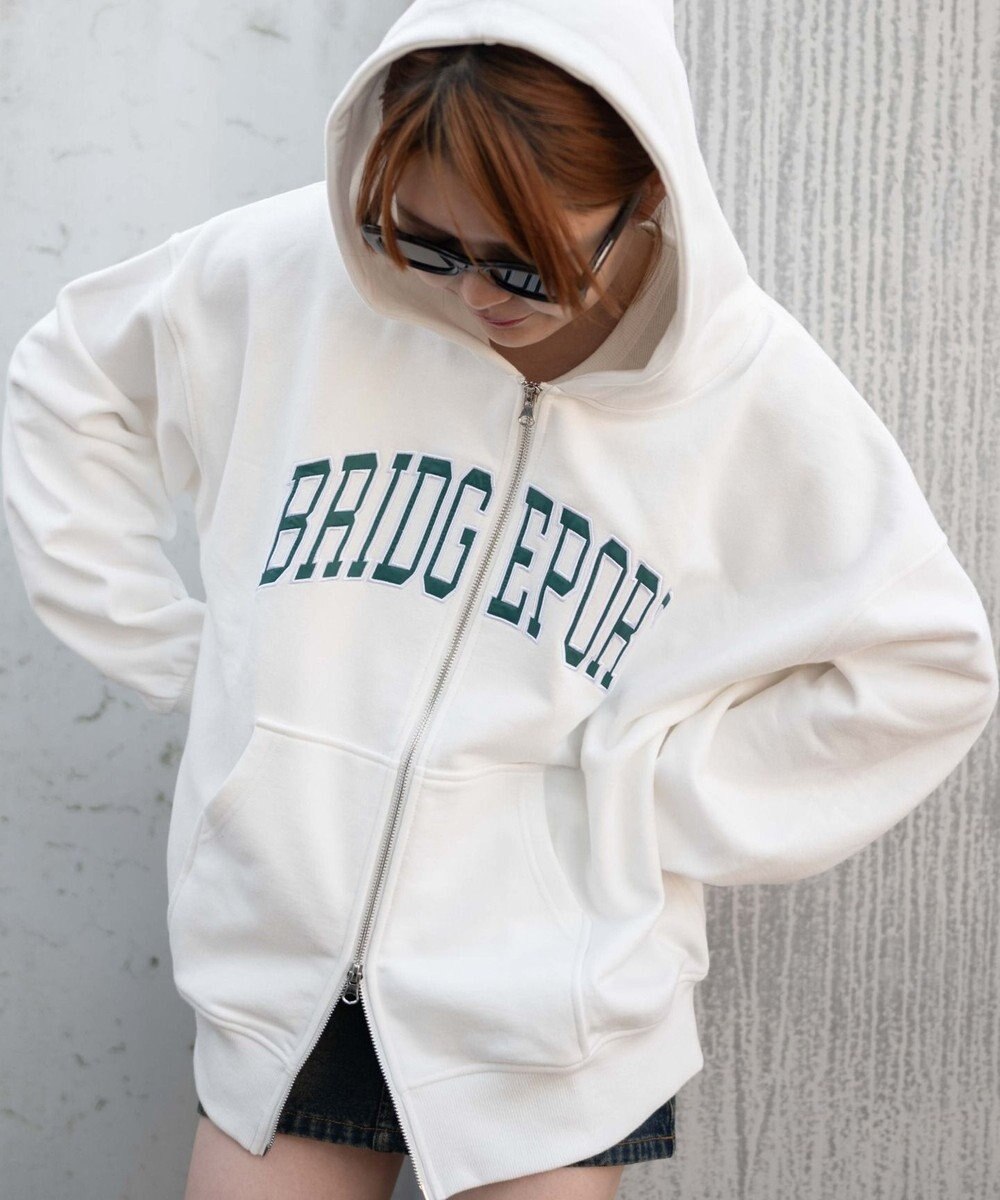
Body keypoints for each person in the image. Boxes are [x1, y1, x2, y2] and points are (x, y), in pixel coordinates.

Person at [2, 2, 996, 1199]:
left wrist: (637, 802)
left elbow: (927, 668)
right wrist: (192, 660)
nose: (475, 294)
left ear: (646, 191)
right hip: (282, 989)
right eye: (427, 245)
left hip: (548, 1019)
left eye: (525, 262)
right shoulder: (294, 274)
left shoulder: (755, 399)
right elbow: (68, 381)